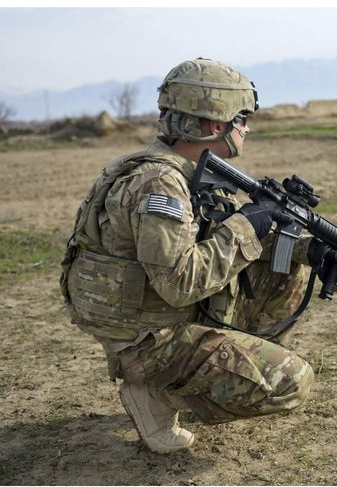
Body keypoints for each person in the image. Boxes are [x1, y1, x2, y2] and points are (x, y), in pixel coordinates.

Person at [60, 57, 320, 454]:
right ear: (217, 125)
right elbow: (180, 283)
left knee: (285, 270)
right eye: (242, 119)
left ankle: (214, 371)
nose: (246, 129)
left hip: (160, 318)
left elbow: (209, 243)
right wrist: (248, 225)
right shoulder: (160, 184)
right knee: (292, 382)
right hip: (146, 339)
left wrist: (306, 249)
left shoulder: (187, 172)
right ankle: (157, 395)